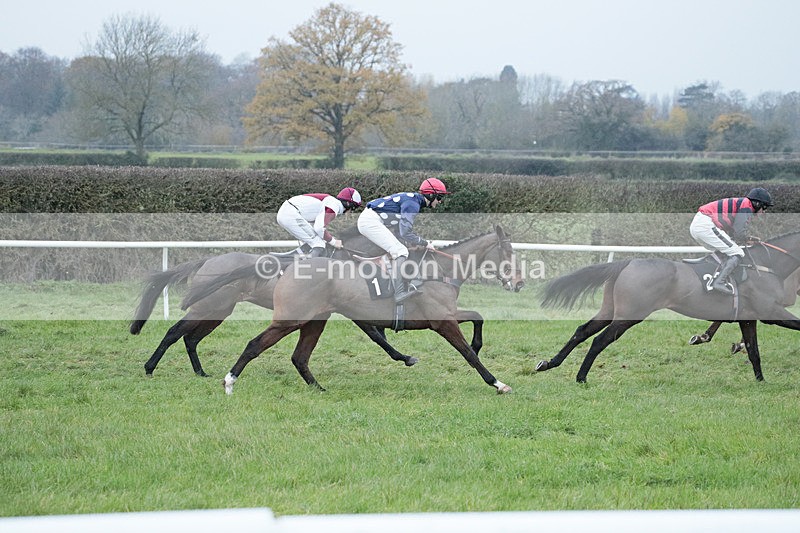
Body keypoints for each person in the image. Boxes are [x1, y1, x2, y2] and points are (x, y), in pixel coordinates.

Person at [357, 178, 449, 303]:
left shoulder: (414, 201)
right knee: (401, 252)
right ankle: (399, 293)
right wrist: (426, 243)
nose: (440, 201)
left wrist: (418, 243)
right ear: (431, 194)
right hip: (370, 221)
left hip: (370, 219)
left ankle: (403, 281)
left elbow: (400, 232)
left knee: (402, 248)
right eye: (439, 197)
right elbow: (406, 232)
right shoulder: (413, 204)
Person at [690, 187, 773, 294]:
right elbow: (739, 232)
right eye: (764, 207)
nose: (764, 211)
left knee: (726, 253)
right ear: (757, 204)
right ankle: (719, 282)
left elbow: (734, 233)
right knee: (737, 252)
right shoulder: (746, 205)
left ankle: (715, 279)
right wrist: (747, 239)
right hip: (705, 225)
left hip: (700, 225)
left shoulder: (741, 205)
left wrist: (747, 239)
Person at [276, 187, 362, 257]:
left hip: (288, 212)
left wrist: (329, 239)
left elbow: (316, 227)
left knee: (315, 242)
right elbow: (319, 228)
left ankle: (285, 260)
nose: (351, 212)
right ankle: (305, 271)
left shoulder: (332, 202)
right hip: (290, 214)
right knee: (319, 244)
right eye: (353, 208)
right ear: (348, 204)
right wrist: (333, 242)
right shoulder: (334, 206)